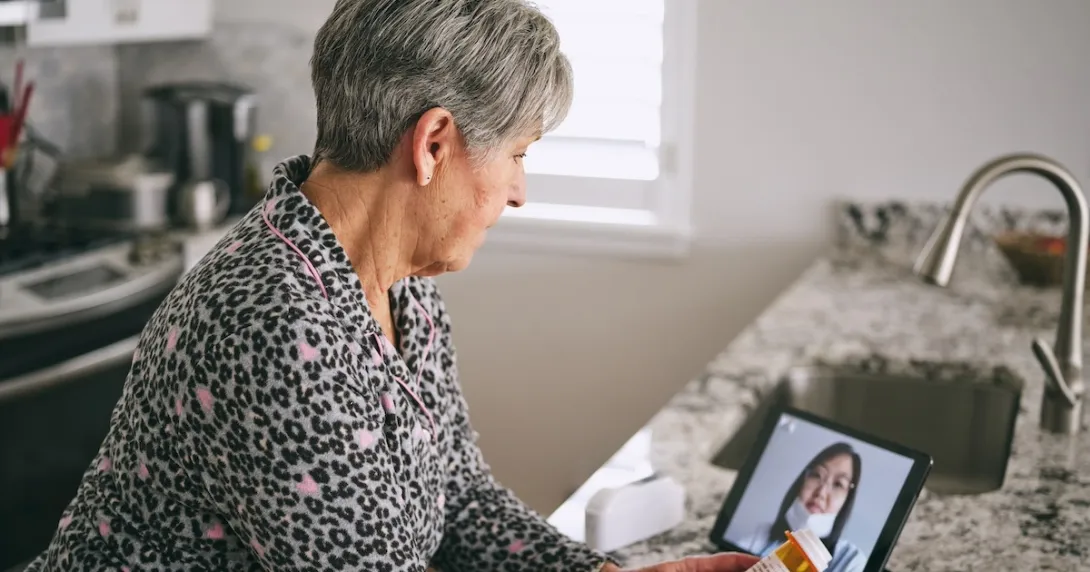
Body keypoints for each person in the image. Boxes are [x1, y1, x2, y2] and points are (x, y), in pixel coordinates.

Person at [23, 1, 759, 571]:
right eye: (519, 154)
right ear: (434, 143)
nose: (520, 191)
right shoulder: (276, 323)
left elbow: (460, 499)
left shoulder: (398, 281)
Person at [734, 443, 868, 572]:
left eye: (838, 484)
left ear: (847, 500)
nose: (821, 493)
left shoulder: (852, 560)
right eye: (817, 475)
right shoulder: (762, 535)